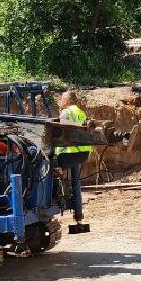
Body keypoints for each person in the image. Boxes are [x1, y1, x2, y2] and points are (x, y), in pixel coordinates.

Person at [55, 90, 92, 233]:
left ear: (69, 101)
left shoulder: (66, 113)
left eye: (63, 99)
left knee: (45, 165)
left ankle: (57, 196)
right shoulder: (81, 113)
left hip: (68, 155)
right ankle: (77, 211)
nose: (61, 101)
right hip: (82, 154)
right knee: (75, 180)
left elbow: (61, 135)